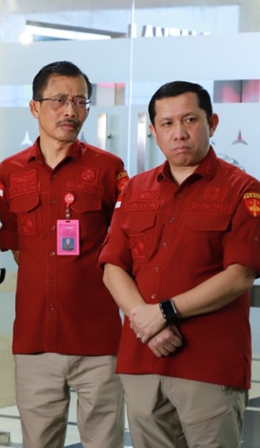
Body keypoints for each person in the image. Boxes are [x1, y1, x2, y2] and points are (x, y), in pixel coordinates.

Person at [99, 81, 260, 447]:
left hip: (208, 365)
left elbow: (240, 274)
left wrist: (165, 312)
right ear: (153, 131)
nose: (180, 133)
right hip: (142, 360)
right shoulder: (135, 190)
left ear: (212, 123)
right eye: (168, 124)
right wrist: (148, 322)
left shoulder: (244, 190)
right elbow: (112, 267)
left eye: (190, 120)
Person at [0, 61, 127, 448]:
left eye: (80, 101)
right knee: (39, 441)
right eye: (59, 100)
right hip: (36, 339)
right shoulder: (10, 172)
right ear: (35, 107)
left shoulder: (108, 169)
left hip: (98, 339)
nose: (71, 111)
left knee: (103, 441)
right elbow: (18, 244)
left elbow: (123, 246)